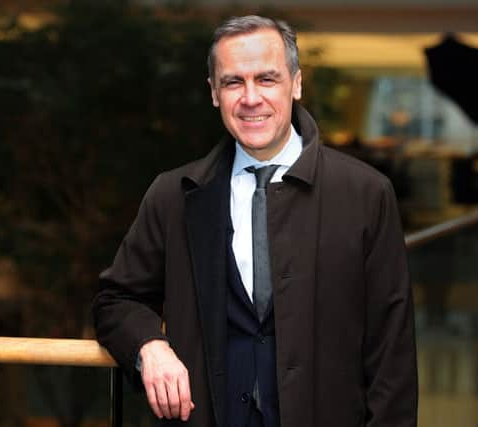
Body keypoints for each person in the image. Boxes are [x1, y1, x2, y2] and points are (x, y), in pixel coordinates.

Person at [92, 15, 417, 427]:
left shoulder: (366, 194)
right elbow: (115, 300)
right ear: (214, 93)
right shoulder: (174, 195)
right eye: (233, 82)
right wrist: (149, 346)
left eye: (267, 79)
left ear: (296, 84)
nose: (250, 98)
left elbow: (393, 354)